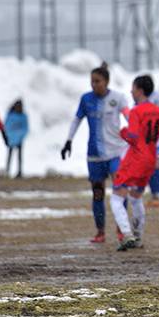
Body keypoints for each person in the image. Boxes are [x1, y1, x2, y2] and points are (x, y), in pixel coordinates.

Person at [61, 63, 130, 244]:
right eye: (92, 81)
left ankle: (122, 229)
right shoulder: (86, 99)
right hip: (94, 155)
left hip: (116, 152)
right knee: (97, 193)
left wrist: (135, 138)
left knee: (120, 191)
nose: (94, 85)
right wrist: (69, 140)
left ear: (106, 81)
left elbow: (130, 118)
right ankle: (100, 232)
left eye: (97, 81)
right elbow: (77, 120)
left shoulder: (118, 98)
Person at [110, 75, 159, 251]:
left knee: (117, 197)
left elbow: (132, 137)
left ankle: (126, 234)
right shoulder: (158, 111)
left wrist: (123, 132)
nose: (131, 92)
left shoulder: (136, 111)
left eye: (132, 88)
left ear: (139, 90)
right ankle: (138, 237)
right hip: (150, 160)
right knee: (135, 198)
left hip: (135, 159)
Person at [4, 100, 29, 178]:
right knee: (11, 155)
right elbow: (7, 126)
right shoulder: (11, 115)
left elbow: (25, 128)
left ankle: (19, 171)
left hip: (19, 139)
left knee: (18, 156)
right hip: (12, 139)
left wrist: (20, 136)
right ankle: (7, 171)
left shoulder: (22, 116)